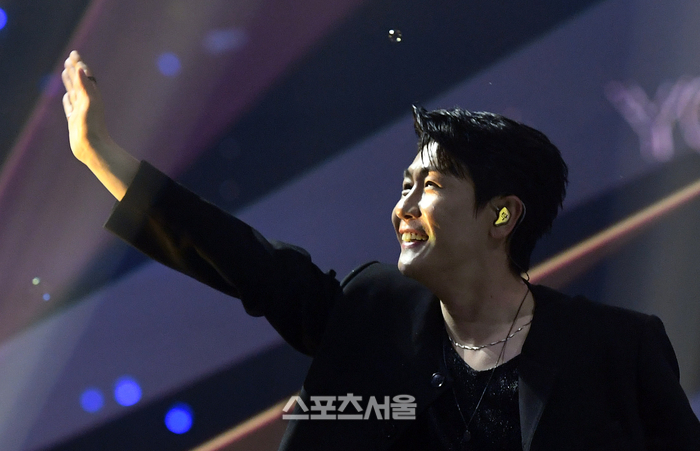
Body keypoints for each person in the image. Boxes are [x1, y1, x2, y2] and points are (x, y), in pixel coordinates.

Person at [62, 50, 700, 450]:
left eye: (431, 186)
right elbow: (241, 257)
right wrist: (99, 154)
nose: (403, 207)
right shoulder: (371, 311)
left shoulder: (617, 348)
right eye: (404, 186)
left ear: (502, 215)